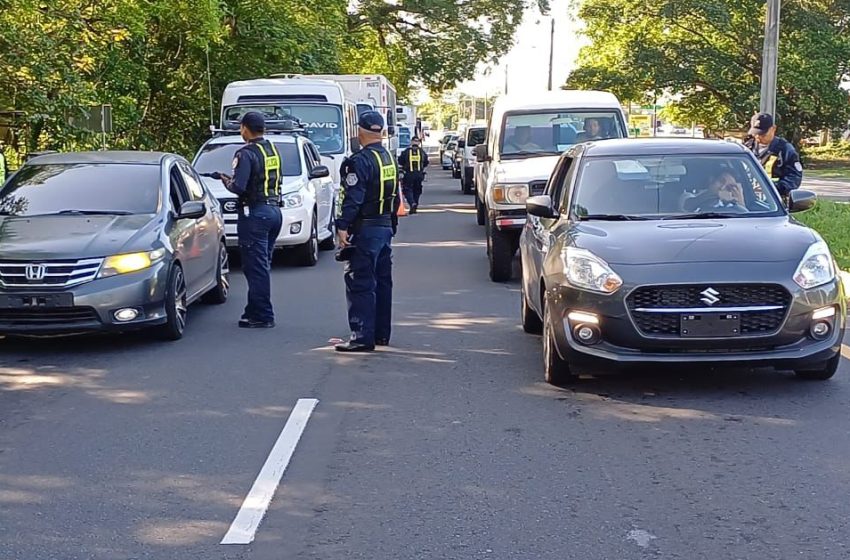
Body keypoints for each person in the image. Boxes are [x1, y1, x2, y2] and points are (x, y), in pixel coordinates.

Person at [335, 110, 400, 352]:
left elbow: (354, 197)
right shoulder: (389, 158)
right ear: (381, 132)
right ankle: (382, 334)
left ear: (359, 131)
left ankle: (362, 336)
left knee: (360, 281)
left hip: (365, 228)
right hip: (384, 227)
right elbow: (395, 196)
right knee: (383, 282)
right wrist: (392, 224)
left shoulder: (359, 161)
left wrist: (343, 225)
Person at [219, 111, 283, 329]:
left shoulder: (245, 153)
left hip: (254, 214)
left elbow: (239, 186)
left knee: (255, 267)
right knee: (261, 264)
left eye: (240, 127)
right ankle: (253, 309)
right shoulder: (272, 149)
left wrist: (226, 181)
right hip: (274, 212)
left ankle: (263, 315)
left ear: (245, 128)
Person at [744, 113, 802, 201]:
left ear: (773, 129)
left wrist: (772, 188)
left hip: (774, 200)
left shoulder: (785, 149)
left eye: (763, 134)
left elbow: (794, 178)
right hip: (748, 199)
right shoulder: (747, 148)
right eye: (755, 133)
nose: (758, 137)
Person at [683, 169, 748, 213]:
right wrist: (717, 194)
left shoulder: (731, 206)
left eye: (728, 187)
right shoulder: (689, 195)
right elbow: (688, 206)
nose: (722, 188)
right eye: (721, 182)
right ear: (711, 180)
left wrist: (741, 201)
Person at [398, 136, 429, 214]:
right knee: (417, 190)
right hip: (419, 174)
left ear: (411, 142)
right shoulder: (422, 152)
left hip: (409, 174)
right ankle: (415, 203)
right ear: (418, 143)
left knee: (407, 189)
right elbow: (426, 162)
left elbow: (400, 161)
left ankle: (412, 203)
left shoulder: (406, 151)